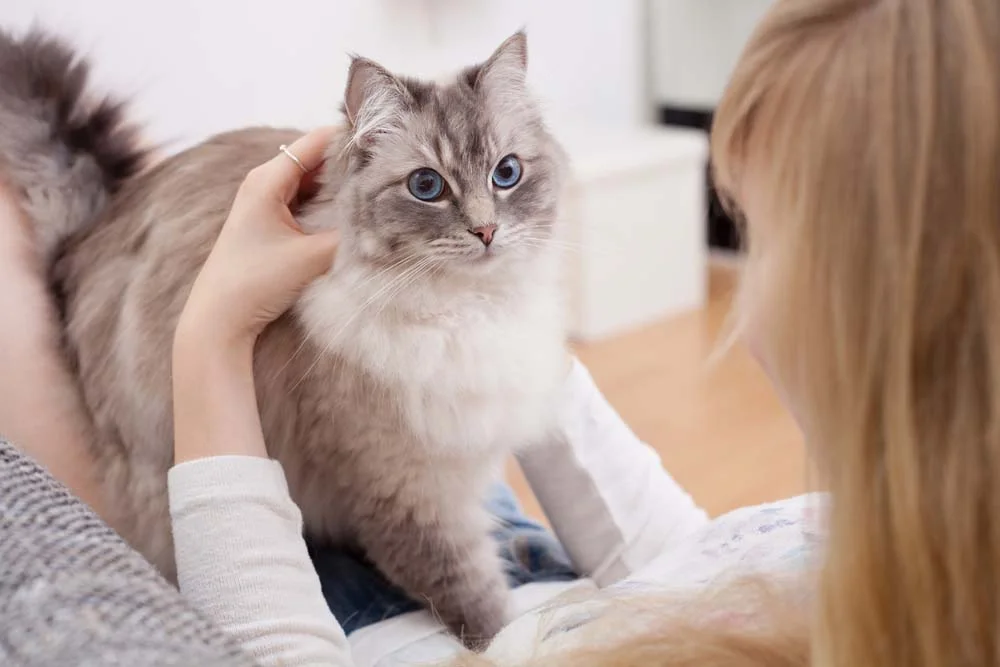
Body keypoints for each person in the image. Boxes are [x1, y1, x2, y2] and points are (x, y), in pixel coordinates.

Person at [1, 0, 995, 665]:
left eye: (759, 229)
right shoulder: (863, 550)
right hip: (516, 557)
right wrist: (499, 322)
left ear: (879, 313)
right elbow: (684, 561)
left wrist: (213, 332)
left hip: (357, 602)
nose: (744, 283)